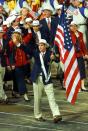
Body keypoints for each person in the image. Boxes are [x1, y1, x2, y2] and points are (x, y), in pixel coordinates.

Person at [20, 39, 62, 123]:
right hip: (37, 79)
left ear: (45, 46)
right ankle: (38, 115)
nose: (40, 46)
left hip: (47, 78)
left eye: (42, 45)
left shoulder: (50, 53)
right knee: (37, 98)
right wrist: (18, 44)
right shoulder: (36, 53)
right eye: (39, 45)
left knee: (51, 97)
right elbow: (27, 50)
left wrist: (55, 57)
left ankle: (56, 114)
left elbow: (58, 60)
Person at [70, 21, 88, 91]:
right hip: (72, 55)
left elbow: (83, 45)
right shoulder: (69, 34)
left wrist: (86, 53)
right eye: (71, 26)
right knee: (74, 71)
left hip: (80, 54)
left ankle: (82, 86)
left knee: (82, 70)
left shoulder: (80, 34)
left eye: (74, 26)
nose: (73, 27)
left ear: (77, 27)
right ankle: (76, 87)